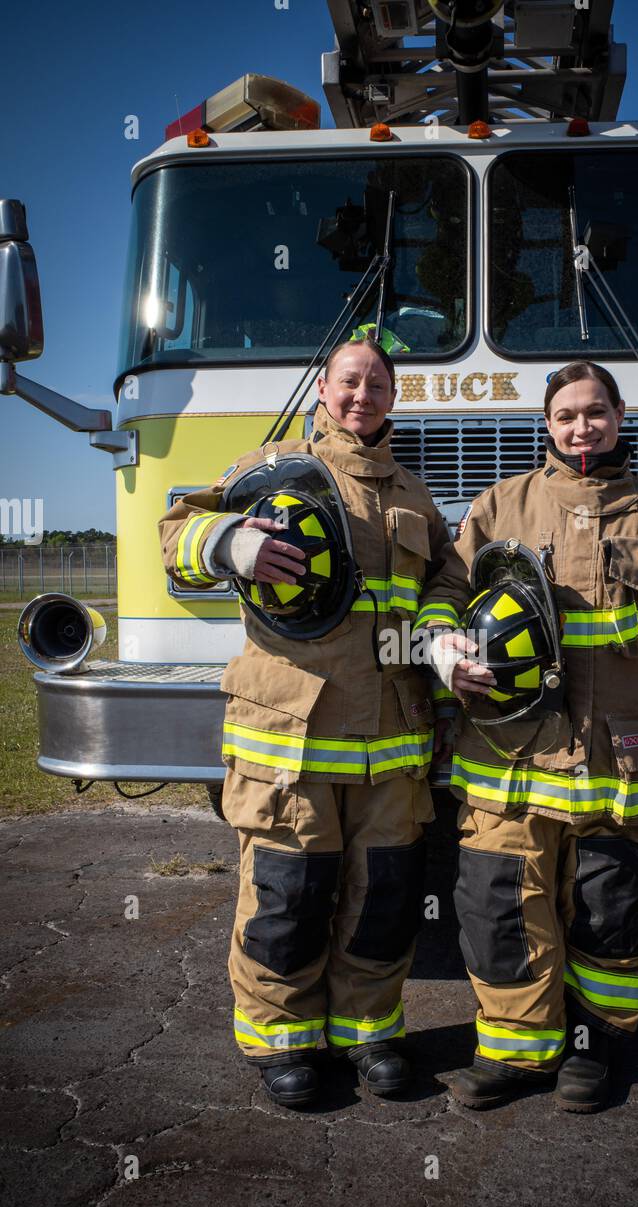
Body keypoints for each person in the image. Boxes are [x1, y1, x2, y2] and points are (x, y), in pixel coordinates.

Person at [418, 361, 638, 1112]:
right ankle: (516, 1054)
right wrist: (439, 646)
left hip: (623, 765)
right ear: (548, 425)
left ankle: (593, 1048)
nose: (580, 427)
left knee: (612, 908)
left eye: (594, 412)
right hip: (510, 761)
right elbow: (447, 589)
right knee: (497, 906)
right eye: (565, 415)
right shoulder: (502, 505)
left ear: (619, 416)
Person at [158, 336, 454, 1107]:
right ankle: (282, 1041)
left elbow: (445, 592)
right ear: (324, 390)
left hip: (392, 740)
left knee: (384, 895)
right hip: (289, 735)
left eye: (378, 384)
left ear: (393, 397)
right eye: (349, 382)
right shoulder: (272, 468)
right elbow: (174, 533)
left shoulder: (417, 498)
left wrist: (450, 642)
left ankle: (369, 1033)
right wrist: (230, 541)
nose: (363, 395)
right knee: (289, 892)